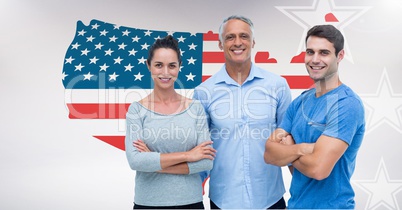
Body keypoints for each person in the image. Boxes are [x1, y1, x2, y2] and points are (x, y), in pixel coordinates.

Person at [193, 15, 292, 209]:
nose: (237, 42)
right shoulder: (204, 92)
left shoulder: (278, 86)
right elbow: (201, 148)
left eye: (244, 36)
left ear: (253, 41)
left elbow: (289, 140)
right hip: (223, 200)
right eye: (230, 37)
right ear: (220, 44)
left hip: (270, 199)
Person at [264, 25, 365, 209]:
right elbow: (270, 154)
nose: (315, 59)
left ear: (340, 56)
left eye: (324, 52)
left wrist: (288, 151)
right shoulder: (300, 102)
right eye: (310, 52)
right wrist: (303, 148)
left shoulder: (346, 104)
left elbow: (318, 169)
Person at [125, 35, 216, 209]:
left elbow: (205, 162)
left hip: (190, 202)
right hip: (148, 203)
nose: (165, 72)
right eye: (159, 65)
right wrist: (187, 156)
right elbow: (136, 161)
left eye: (172, 66)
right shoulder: (137, 110)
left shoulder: (195, 108)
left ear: (179, 67)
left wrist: (153, 163)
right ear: (148, 66)